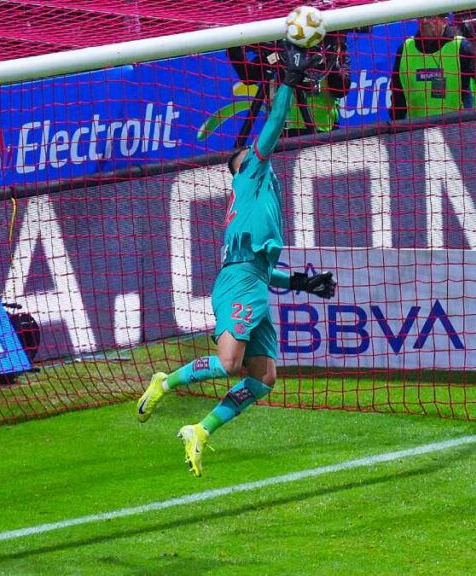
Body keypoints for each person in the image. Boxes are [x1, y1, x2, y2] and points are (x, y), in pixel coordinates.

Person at [135, 43, 338, 477]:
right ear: (239, 168)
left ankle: (201, 430)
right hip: (239, 283)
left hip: (254, 279)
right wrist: (287, 81)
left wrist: (303, 284)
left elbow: (265, 272)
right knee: (230, 364)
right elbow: (275, 127)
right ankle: (165, 382)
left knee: (262, 378)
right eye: (246, 154)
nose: (254, 152)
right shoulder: (249, 175)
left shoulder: (262, 195)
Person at [389, 13, 476, 121]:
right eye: (421, 16)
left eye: (430, 17)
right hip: (417, 130)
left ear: (445, 21)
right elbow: (397, 95)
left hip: (455, 128)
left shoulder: (461, 47)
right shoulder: (405, 49)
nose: (424, 21)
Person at [285, 31, 351, 136]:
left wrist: (331, 61)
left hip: (326, 125)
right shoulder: (286, 45)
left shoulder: (334, 45)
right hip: (289, 126)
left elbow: (342, 90)